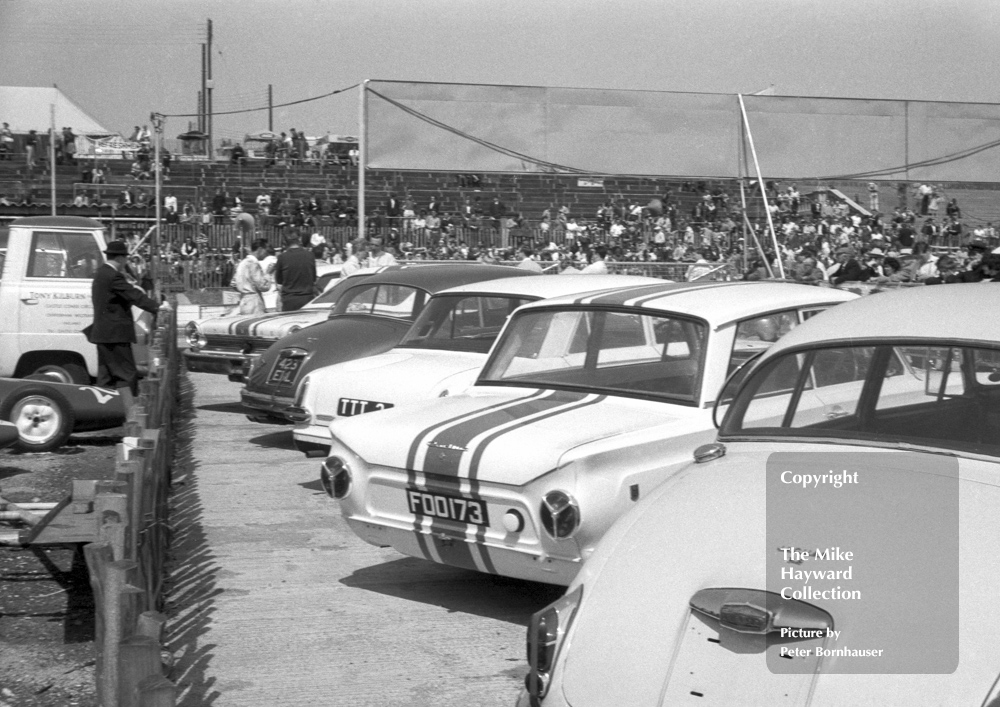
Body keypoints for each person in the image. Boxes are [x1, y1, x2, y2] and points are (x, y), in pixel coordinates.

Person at [86, 241, 162, 419]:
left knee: (105, 379)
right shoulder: (114, 276)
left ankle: (101, 417)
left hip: (102, 334)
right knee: (127, 375)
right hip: (115, 335)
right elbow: (134, 295)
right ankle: (131, 417)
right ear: (120, 258)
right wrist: (158, 307)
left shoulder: (101, 273)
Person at [273, 234, 318, 312]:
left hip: (289, 301)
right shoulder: (310, 255)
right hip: (307, 299)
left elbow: (279, 280)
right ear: (299, 239)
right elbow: (313, 278)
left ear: (285, 242)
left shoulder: (282, 257)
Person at [233, 239, 272, 314]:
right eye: (265, 251)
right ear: (260, 249)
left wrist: (244, 289)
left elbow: (234, 283)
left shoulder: (242, 263)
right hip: (254, 303)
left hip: (243, 301)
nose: (266, 254)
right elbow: (262, 286)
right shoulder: (254, 264)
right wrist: (268, 273)